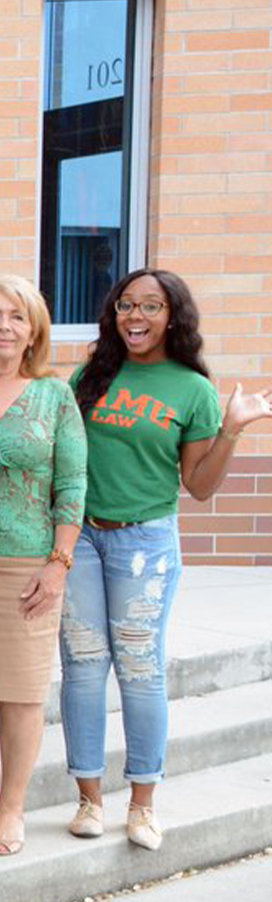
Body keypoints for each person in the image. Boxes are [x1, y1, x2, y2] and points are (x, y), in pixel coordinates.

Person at [62, 269, 272, 849]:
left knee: (139, 669)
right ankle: (88, 800)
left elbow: (200, 486)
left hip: (143, 545)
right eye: (127, 304)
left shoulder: (192, 389)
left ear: (172, 315)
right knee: (82, 667)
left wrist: (231, 431)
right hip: (80, 538)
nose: (136, 316)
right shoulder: (93, 374)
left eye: (150, 306)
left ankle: (143, 804)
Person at [0, 276, 85, 857]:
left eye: (18, 317)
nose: (5, 326)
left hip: (29, 565)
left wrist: (59, 564)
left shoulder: (54, 397)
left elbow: (73, 482)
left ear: (34, 333)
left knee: (23, 695)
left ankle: (12, 806)